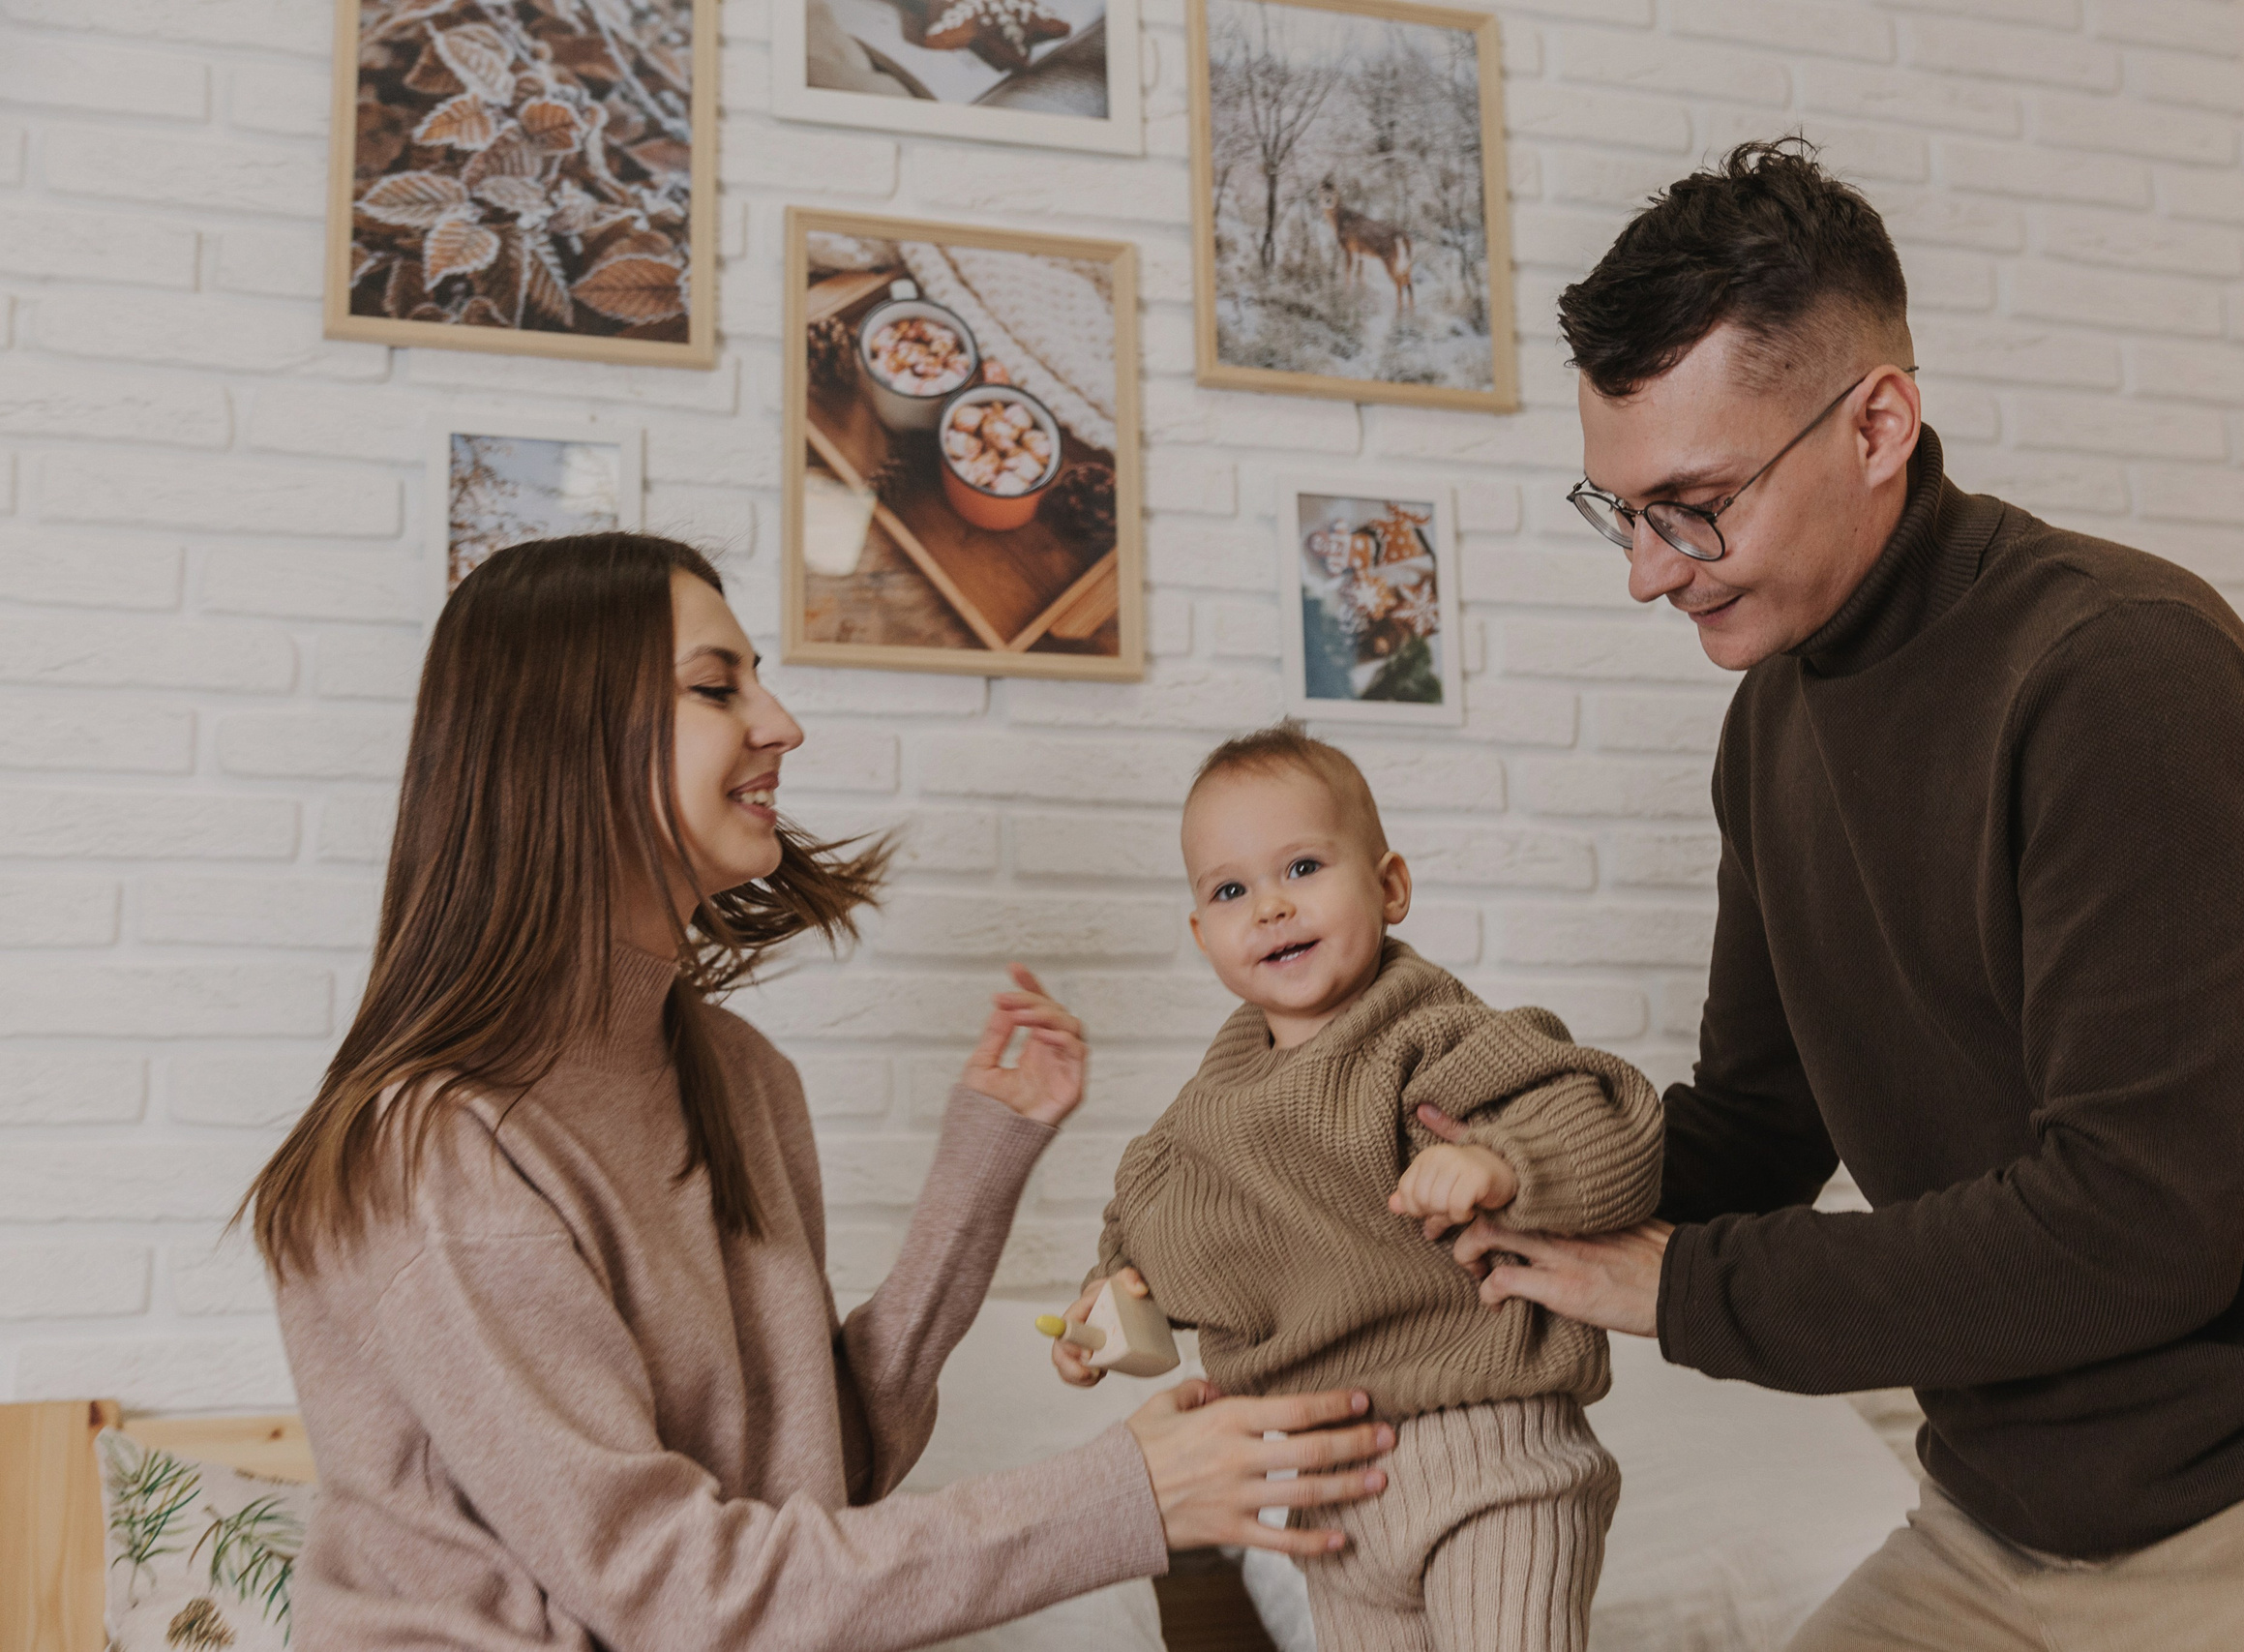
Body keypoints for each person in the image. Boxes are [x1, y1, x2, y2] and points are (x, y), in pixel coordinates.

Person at [1442, 139, 2244, 1647]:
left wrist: (1677, 1286)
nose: (1650, 574)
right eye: (1622, 511)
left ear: (1876, 423)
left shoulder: (2122, 676)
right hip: (1996, 1529)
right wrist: (1517, 1174)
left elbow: (2134, 1228)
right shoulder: (1774, 725)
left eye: (1695, 503)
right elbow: (1754, 1123)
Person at [241, 535, 1394, 1650]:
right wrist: (1129, 1492)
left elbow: (820, 1479)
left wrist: (982, 1165)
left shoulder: (738, 1080)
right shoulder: (440, 1151)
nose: (780, 725)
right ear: (567, 740)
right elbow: (675, 1595)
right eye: (715, 686)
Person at [1054, 722, 1664, 1650]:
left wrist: (1503, 1162)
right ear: (1200, 931)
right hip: (1330, 1502)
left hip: (1492, 1457)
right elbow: (1149, 1230)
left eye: (1301, 867)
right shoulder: (1203, 1121)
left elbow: (1603, 1114)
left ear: (1390, 886)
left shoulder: (1433, 1036)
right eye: (1231, 889)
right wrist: (1108, 1301)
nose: (1269, 906)